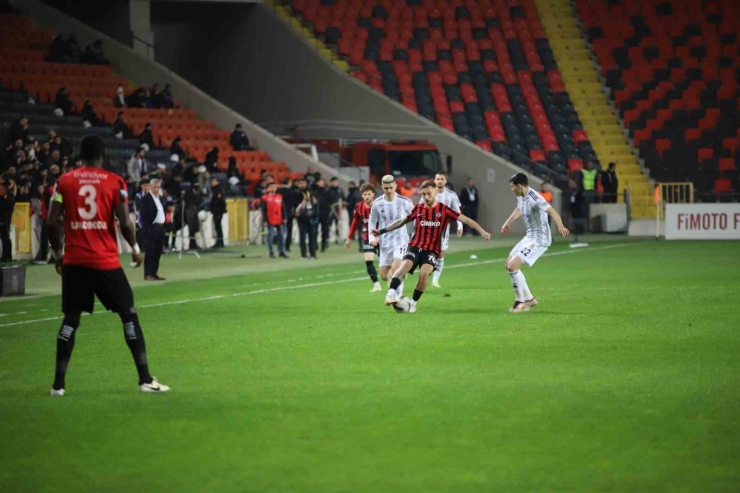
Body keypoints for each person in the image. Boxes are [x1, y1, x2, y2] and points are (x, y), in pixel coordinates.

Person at [46, 135, 170, 395]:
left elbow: (52, 221)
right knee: (128, 314)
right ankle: (145, 379)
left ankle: (58, 385)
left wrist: (58, 254)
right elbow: (125, 222)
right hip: (105, 262)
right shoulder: (114, 182)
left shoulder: (64, 182)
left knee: (70, 319)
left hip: (75, 261)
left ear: (81, 155)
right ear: (102, 155)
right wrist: (136, 250)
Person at [373, 180, 491, 313]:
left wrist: (483, 232)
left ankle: (413, 304)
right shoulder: (419, 208)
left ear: (435, 191)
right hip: (415, 246)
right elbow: (401, 221)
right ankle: (390, 294)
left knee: (424, 274)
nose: (426, 197)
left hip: (431, 250)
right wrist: (382, 231)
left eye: (429, 194)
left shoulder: (444, 210)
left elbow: (467, 220)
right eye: (423, 194)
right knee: (403, 267)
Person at [500, 173, 570, 313]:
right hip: (530, 236)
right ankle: (530, 299)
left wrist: (561, 226)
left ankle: (521, 302)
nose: (511, 189)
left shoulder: (535, 198)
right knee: (508, 265)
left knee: (513, 266)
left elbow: (553, 212)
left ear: (520, 186)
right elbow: (519, 208)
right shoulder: (521, 196)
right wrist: (507, 222)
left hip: (540, 239)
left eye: (512, 187)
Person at [368, 175, 414, 297]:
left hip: (401, 241)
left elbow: (415, 217)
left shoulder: (404, 201)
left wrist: (416, 234)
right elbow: (372, 221)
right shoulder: (377, 203)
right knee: (384, 275)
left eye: (391, 188)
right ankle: (401, 276)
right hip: (385, 243)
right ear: (382, 187)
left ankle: (397, 297)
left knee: (396, 269)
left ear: (395, 186)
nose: (388, 190)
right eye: (386, 188)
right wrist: (372, 238)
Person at [421, 172, 462, 289]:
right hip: (427, 227)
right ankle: (426, 271)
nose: (439, 181)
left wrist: (460, 226)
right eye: (437, 179)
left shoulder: (451, 195)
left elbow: (457, 212)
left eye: (441, 179)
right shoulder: (428, 193)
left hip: (443, 230)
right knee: (426, 252)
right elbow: (419, 209)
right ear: (434, 180)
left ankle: (435, 281)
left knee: (440, 253)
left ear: (445, 181)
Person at [345, 183, 381, 292]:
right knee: (368, 260)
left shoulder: (379, 205)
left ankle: (392, 282)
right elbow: (355, 222)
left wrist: (380, 236)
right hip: (368, 236)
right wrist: (349, 237)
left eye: (369, 194)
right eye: (364, 194)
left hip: (383, 237)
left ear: (373, 194)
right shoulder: (359, 206)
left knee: (386, 264)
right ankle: (376, 285)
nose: (366, 197)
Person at [139, 178, 167, 281]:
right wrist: (147, 228)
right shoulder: (145, 199)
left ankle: (154, 273)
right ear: (150, 187)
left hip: (160, 227)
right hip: (152, 227)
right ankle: (147, 273)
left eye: (158, 187)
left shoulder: (160, 198)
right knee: (150, 251)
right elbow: (143, 215)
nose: (156, 189)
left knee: (158, 252)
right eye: (154, 187)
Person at [261, 183, 289, 258]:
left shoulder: (280, 197)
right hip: (270, 219)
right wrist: (264, 220)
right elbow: (263, 210)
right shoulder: (265, 197)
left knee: (281, 236)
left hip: (279, 219)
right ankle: (271, 252)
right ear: (268, 188)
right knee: (270, 236)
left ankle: (281, 251)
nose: (273, 188)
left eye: (274, 187)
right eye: (271, 187)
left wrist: (284, 217)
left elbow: (283, 208)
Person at [295, 178, 318, 260]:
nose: (302, 185)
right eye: (300, 183)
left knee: (312, 237)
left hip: (311, 216)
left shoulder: (310, 193)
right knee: (302, 237)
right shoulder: (297, 193)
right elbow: (295, 206)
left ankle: (313, 254)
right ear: (298, 184)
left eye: (304, 183)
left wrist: (315, 213)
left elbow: (315, 204)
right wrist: (301, 205)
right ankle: (303, 254)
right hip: (302, 217)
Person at [278, 178, 298, 252]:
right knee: (289, 230)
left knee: (280, 230)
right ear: (289, 183)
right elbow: (293, 203)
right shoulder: (291, 192)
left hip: (278, 213)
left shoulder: (277, 191)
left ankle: (280, 246)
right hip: (288, 213)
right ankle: (287, 246)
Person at [0, 177, 16, 262]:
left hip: (5, 217)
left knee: (5, 237)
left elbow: (8, 206)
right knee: (5, 237)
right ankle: (7, 255)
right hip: (4, 217)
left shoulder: (7, 194)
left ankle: (6, 255)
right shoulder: (7, 194)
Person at [210, 176, 226, 248]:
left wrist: (220, 211)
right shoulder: (215, 190)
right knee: (217, 227)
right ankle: (219, 242)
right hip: (216, 211)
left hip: (218, 212)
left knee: (218, 227)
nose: (212, 183)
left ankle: (220, 242)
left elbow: (221, 201)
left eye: (214, 181)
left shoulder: (218, 190)